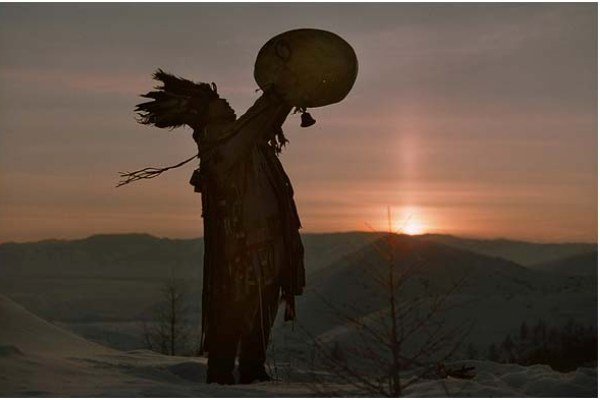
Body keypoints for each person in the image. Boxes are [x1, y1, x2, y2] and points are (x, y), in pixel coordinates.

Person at [135, 70, 305, 385]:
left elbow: (261, 125)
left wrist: (287, 97)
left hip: (262, 242)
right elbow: (256, 124)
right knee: (237, 309)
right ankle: (224, 379)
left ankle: (248, 372)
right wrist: (280, 92)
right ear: (203, 112)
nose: (225, 102)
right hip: (245, 247)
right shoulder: (220, 140)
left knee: (259, 309)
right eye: (216, 101)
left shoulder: (236, 140)